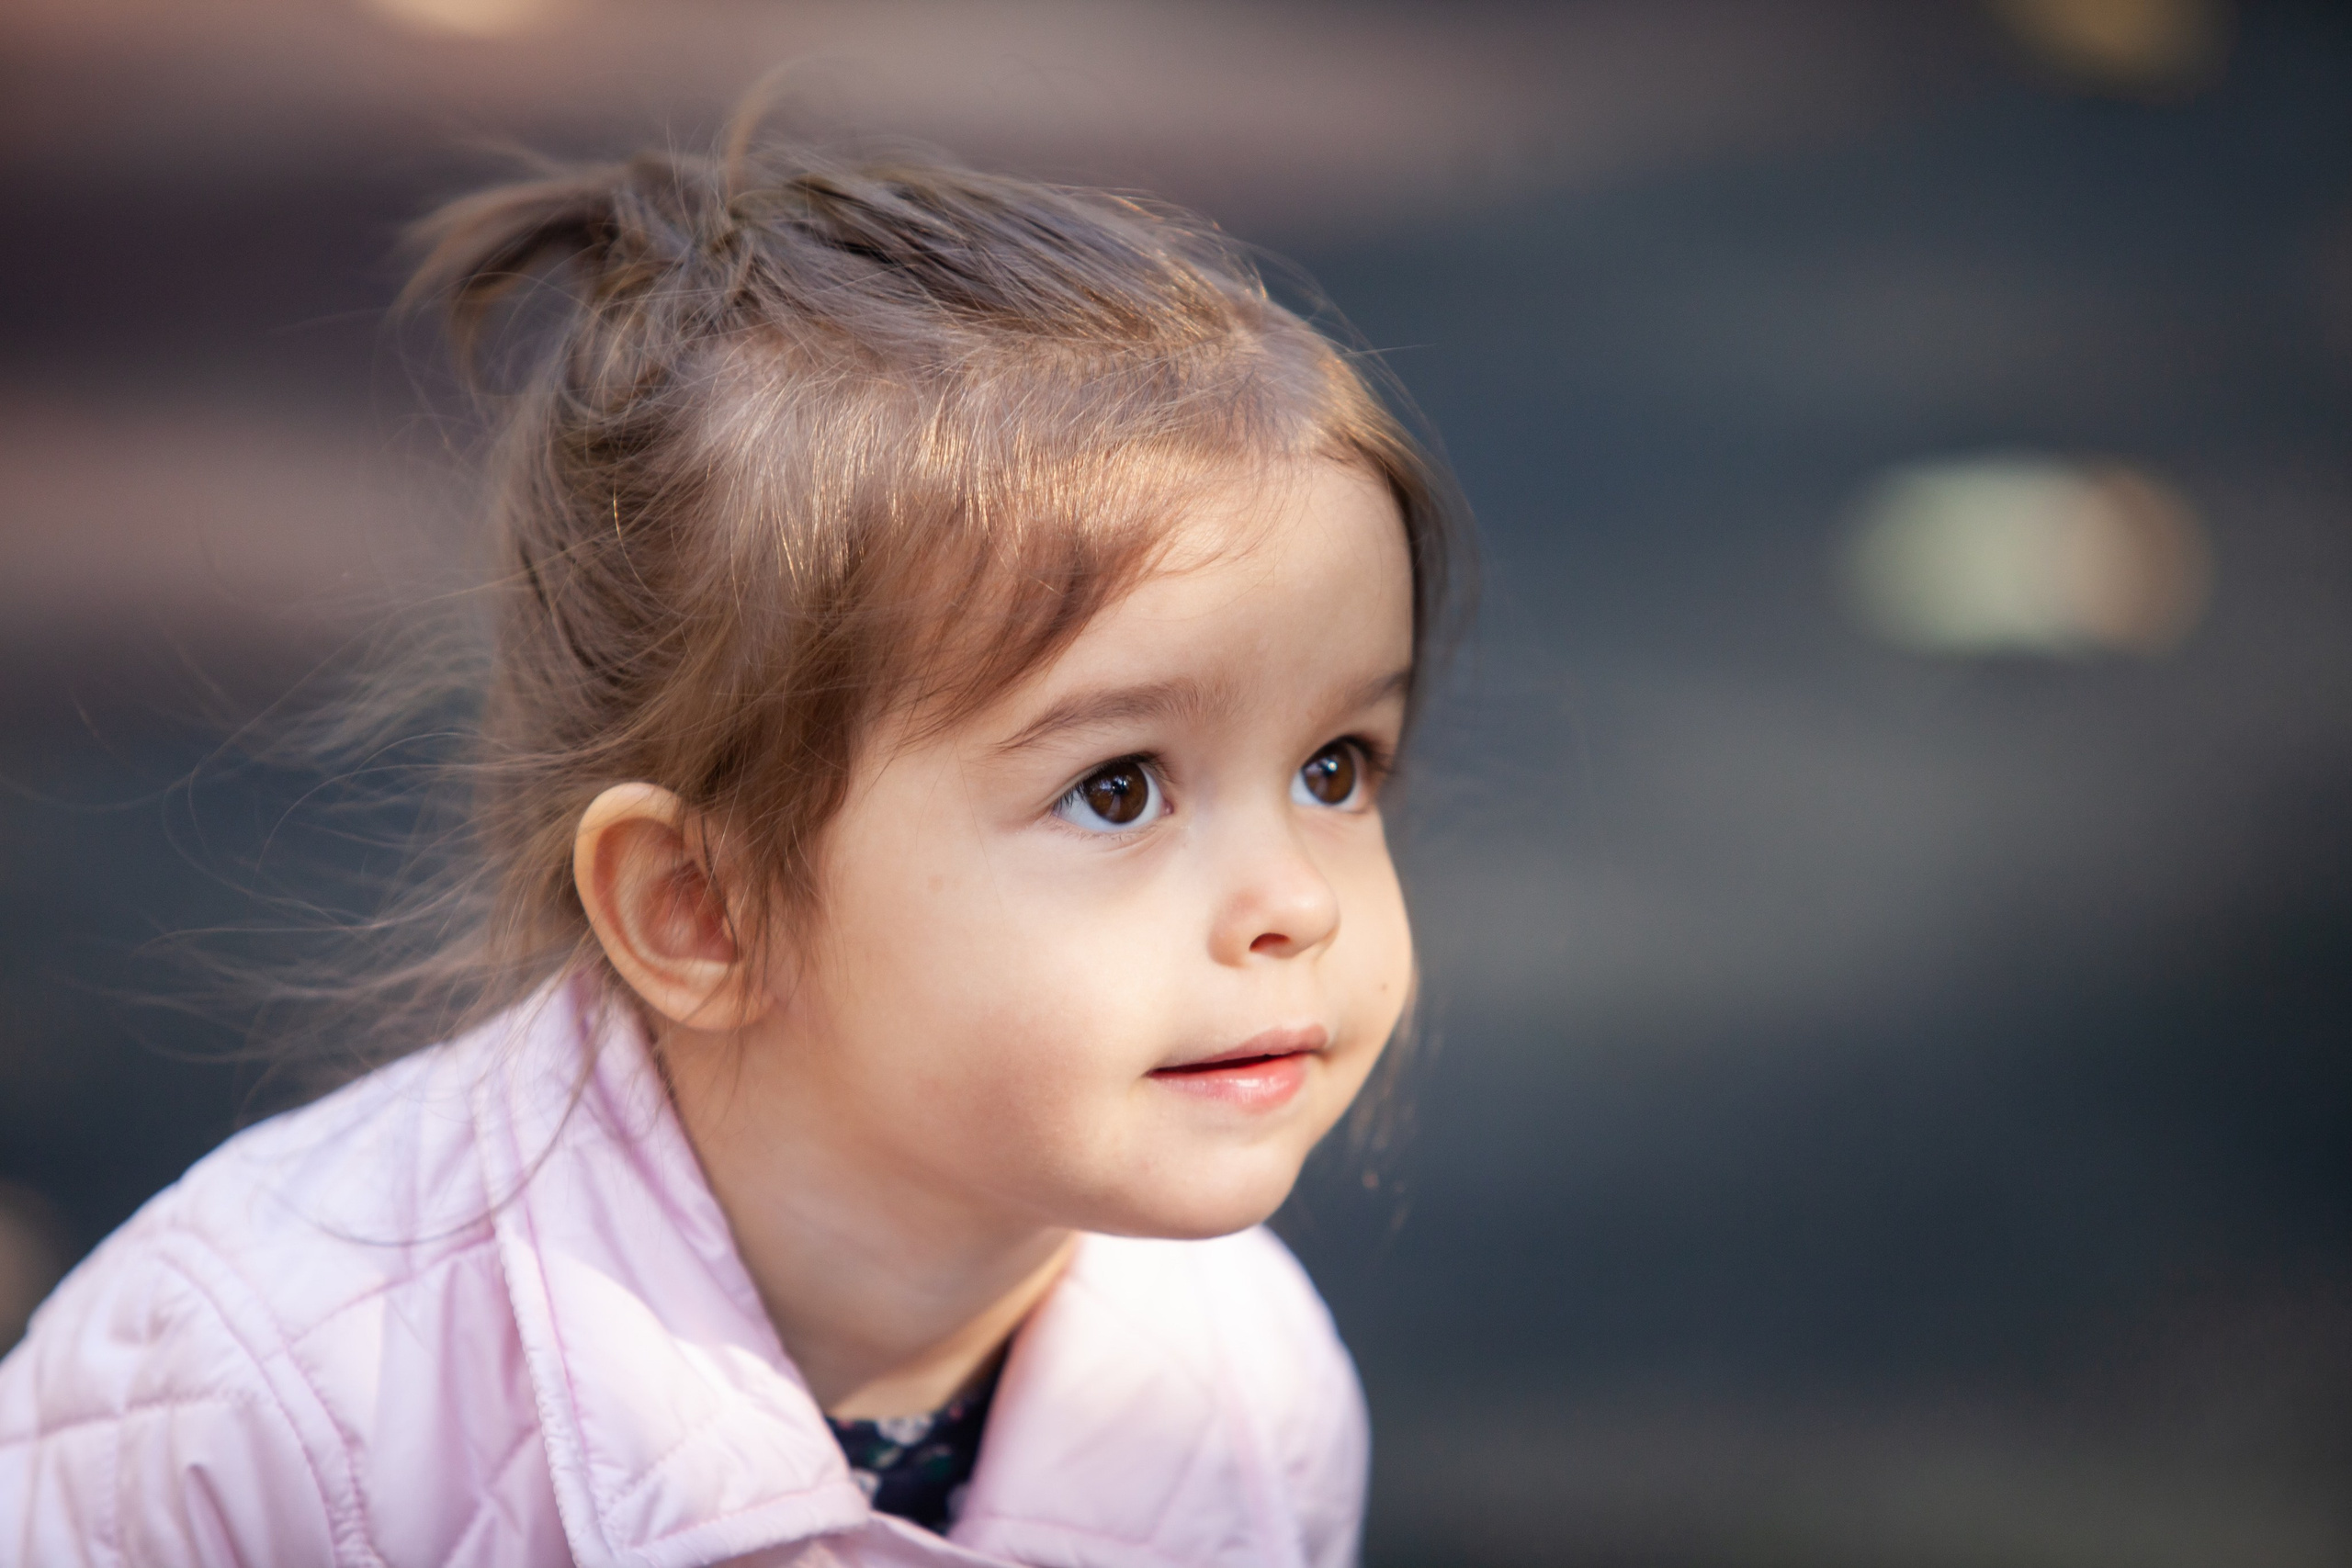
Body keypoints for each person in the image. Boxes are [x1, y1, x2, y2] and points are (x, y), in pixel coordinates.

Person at [0, 109, 1468, 1567]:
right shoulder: (260, 1399)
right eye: (1118, 788)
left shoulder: (1244, 1390)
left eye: (1336, 767)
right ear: (702, 909)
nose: (1295, 901)